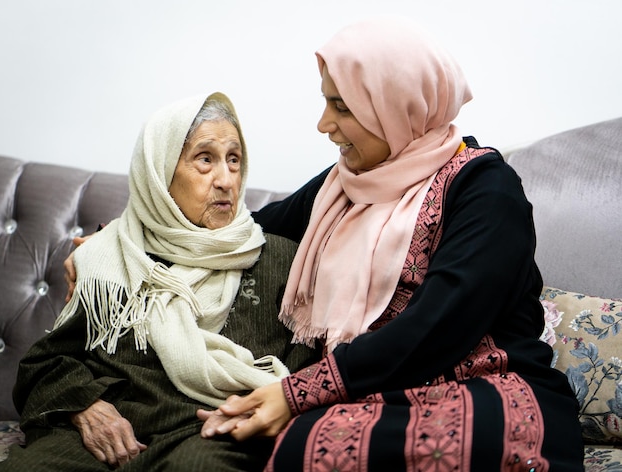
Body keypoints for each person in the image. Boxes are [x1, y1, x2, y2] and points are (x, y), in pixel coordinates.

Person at [199, 17, 585, 471]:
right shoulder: (342, 185)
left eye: (341, 107)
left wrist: (297, 393)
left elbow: (444, 319)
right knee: (307, 445)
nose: (324, 124)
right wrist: (113, 236)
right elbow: (246, 232)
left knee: (443, 446)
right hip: (373, 392)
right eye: (326, 103)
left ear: (395, 106)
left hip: (488, 381)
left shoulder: (484, 187)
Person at [0, 92, 317, 471]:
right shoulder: (114, 253)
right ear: (160, 170)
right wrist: (85, 406)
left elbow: (304, 371)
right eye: (205, 159)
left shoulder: (282, 259)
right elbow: (47, 362)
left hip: (211, 432)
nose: (226, 180)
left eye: (234, 160)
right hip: (111, 432)